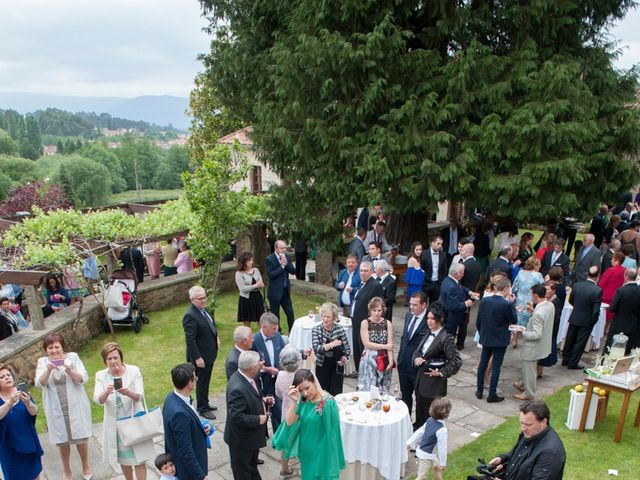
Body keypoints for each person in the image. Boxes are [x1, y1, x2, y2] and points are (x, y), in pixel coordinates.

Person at [35, 333, 92, 480]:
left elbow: (84, 378)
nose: (54, 350)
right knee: (62, 440)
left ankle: (85, 465)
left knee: (80, 438)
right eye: (50, 348)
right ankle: (67, 470)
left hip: (75, 405)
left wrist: (69, 369)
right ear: (45, 350)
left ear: (62, 346)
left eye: (56, 347)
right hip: (56, 407)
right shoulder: (43, 362)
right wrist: (48, 370)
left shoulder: (72, 357)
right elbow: (39, 384)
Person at [93, 342, 153, 480]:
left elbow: (139, 396)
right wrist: (106, 393)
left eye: (115, 357)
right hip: (116, 426)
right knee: (124, 460)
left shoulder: (133, 371)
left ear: (121, 358)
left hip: (135, 421)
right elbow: (98, 399)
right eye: (109, 359)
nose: (113, 361)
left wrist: (128, 392)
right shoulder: (101, 375)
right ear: (105, 361)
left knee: (139, 459)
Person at [273, 369, 345, 480]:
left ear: (314, 382)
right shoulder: (303, 400)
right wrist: (293, 401)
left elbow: (332, 435)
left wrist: (326, 461)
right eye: (301, 390)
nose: (305, 393)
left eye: (307, 388)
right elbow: (289, 423)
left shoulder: (328, 403)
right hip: (306, 450)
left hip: (321, 452)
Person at [483, 400, 565, 480]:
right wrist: (502, 458)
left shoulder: (550, 453)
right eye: (521, 423)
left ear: (544, 421)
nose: (523, 428)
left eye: (528, 424)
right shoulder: (530, 432)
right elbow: (518, 453)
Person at [412, 302, 462, 428]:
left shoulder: (446, 338)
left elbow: (456, 361)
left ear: (440, 319)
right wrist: (416, 359)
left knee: (430, 417)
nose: (429, 321)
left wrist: (440, 373)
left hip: (433, 385)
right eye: (428, 318)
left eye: (432, 319)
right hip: (420, 381)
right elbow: (418, 352)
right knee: (419, 413)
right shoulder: (428, 333)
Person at [225, 351, 269, 480]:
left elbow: (251, 395)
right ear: (251, 368)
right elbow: (236, 417)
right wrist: (258, 419)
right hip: (241, 441)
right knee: (243, 473)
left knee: (251, 467)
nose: (259, 366)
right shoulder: (237, 388)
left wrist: (262, 401)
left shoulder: (245, 375)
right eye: (257, 365)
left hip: (250, 439)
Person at [162, 364, 209, 480]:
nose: (196, 381)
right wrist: (200, 476)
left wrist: (199, 428)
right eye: (195, 378)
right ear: (189, 383)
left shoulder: (171, 397)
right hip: (189, 472)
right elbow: (185, 450)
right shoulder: (179, 414)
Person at [475, 278, 517, 403]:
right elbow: (514, 320)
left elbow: (478, 321)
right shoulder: (506, 304)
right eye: (509, 288)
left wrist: (482, 332)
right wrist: (512, 303)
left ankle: (479, 390)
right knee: (496, 366)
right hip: (500, 339)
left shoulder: (485, 300)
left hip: (486, 337)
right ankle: (492, 393)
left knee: (483, 363)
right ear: (505, 289)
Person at [0, 363, 43, 480]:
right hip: (9, 446)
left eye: (8, 375)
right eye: (2, 377)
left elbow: (35, 412)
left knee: (35, 474)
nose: (7, 378)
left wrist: (28, 403)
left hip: (29, 441)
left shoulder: (21, 392)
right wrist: (9, 403)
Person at [183, 285, 219, 419]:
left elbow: (210, 326)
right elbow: (190, 340)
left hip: (209, 353)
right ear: (192, 299)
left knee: (206, 380)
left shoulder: (203, 310)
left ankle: (205, 402)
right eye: (200, 299)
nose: (204, 300)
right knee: (202, 381)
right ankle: (202, 408)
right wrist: (198, 358)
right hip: (201, 356)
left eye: (204, 297)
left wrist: (216, 337)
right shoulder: (190, 316)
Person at [513, 285, 554, 400]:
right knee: (530, 369)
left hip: (533, 347)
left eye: (532, 294)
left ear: (535, 296)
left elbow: (536, 334)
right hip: (543, 345)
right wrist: (532, 312)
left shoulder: (539, 313)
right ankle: (522, 384)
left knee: (529, 370)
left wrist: (523, 331)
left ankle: (528, 393)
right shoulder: (550, 305)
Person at [253, 311, 288, 431]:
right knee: (272, 408)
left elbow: (284, 352)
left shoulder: (277, 336)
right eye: (273, 329)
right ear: (263, 327)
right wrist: (266, 369)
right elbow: (250, 364)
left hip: (278, 378)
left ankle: (278, 436)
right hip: (263, 380)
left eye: (276, 328)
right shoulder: (254, 341)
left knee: (278, 408)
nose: (276, 331)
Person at [562, 266, 602, 369]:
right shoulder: (597, 290)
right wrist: (593, 321)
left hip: (575, 316)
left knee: (570, 339)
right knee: (580, 342)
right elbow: (596, 310)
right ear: (597, 276)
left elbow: (571, 300)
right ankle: (573, 362)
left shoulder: (577, 285)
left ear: (587, 274)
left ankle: (566, 359)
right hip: (586, 320)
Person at [397, 291, 429, 417]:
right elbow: (404, 338)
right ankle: (406, 422)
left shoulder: (429, 321)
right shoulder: (408, 316)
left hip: (417, 368)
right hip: (403, 364)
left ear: (423, 305)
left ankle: (420, 424)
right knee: (405, 397)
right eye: (410, 304)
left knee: (420, 399)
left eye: (415, 305)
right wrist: (399, 358)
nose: (411, 307)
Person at [274, 346, 304, 479]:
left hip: (287, 412)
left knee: (285, 443)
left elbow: (278, 394)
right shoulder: (306, 375)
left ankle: (285, 469)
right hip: (304, 414)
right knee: (305, 441)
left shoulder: (280, 375)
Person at [406, 397, 452, 480]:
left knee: (437, 468)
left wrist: (409, 442)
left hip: (427, 453)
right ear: (446, 413)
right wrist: (443, 463)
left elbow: (419, 432)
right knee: (421, 477)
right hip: (427, 456)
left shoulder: (430, 420)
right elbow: (442, 448)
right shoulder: (442, 430)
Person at [349, 261, 384, 370]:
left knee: (363, 352)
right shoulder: (362, 283)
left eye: (366, 271)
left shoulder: (375, 285)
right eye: (361, 271)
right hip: (356, 323)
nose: (363, 273)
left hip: (365, 326)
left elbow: (378, 308)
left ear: (372, 272)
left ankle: (364, 374)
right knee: (357, 352)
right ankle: (359, 372)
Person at [311, 302, 351, 395]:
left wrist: (345, 357)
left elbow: (347, 349)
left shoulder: (340, 329)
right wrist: (332, 344)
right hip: (322, 364)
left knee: (336, 393)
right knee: (322, 393)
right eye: (324, 316)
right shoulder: (316, 330)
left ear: (334, 317)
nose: (325, 319)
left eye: (328, 317)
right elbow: (316, 348)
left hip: (337, 365)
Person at [357, 297, 394, 392]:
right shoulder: (365, 323)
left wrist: (391, 361)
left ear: (383, 310)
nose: (377, 313)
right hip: (369, 358)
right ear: (370, 310)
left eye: (379, 310)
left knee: (383, 388)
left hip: (384, 358)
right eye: (374, 310)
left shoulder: (388, 323)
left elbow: (390, 344)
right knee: (368, 388)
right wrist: (385, 346)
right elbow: (367, 344)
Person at [439, 262, 476, 349]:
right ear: (456, 273)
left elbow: (460, 287)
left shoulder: (448, 280)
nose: (463, 275)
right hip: (451, 318)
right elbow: (454, 306)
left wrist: (469, 292)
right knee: (449, 336)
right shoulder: (451, 287)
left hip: (450, 315)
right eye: (462, 273)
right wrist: (467, 303)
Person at [604, 269, 640, 354]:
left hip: (618, 324)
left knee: (611, 348)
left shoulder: (621, 291)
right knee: (626, 351)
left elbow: (612, 308)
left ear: (626, 277)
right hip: (633, 326)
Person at [512, 256, 544, 347]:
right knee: (530, 320)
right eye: (539, 264)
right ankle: (528, 341)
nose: (540, 266)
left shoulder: (521, 272)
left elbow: (514, 286)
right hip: (531, 300)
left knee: (518, 319)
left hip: (520, 299)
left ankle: (514, 340)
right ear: (535, 265)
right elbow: (542, 289)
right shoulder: (538, 275)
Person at [265, 239, 296, 330]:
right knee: (275, 317)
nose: (284, 250)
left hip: (285, 292)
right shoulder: (269, 259)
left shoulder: (287, 257)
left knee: (290, 313)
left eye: (285, 248)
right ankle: (277, 333)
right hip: (275, 293)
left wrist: (286, 264)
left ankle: (292, 333)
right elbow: (271, 275)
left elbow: (293, 271)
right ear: (276, 248)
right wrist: (282, 266)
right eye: (282, 248)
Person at [235, 252, 266, 327]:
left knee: (261, 320)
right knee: (246, 322)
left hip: (257, 298)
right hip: (246, 299)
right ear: (244, 262)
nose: (252, 262)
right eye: (249, 260)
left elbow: (261, 283)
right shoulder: (239, 273)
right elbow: (242, 289)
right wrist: (255, 285)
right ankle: (247, 338)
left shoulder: (256, 270)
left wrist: (260, 285)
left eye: (252, 260)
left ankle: (262, 337)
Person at [598, 251, 626, 324]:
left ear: (617, 260)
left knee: (603, 315)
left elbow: (601, 283)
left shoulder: (610, 270)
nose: (611, 260)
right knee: (610, 316)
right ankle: (606, 329)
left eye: (612, 259)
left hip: (606, 296)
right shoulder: (625, 270)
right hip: (617, 296)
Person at [421, 236, 447, 303]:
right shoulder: (424, 254)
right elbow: (422, 268)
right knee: (422, 304)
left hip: (437, 284)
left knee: (434, 305)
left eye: (441, 244)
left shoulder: (443, 255)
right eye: (438, 244)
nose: (440, 246)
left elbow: (444, 270)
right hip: (426, 284)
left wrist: (442, 283)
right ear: (432, 243)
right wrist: (424, 281)